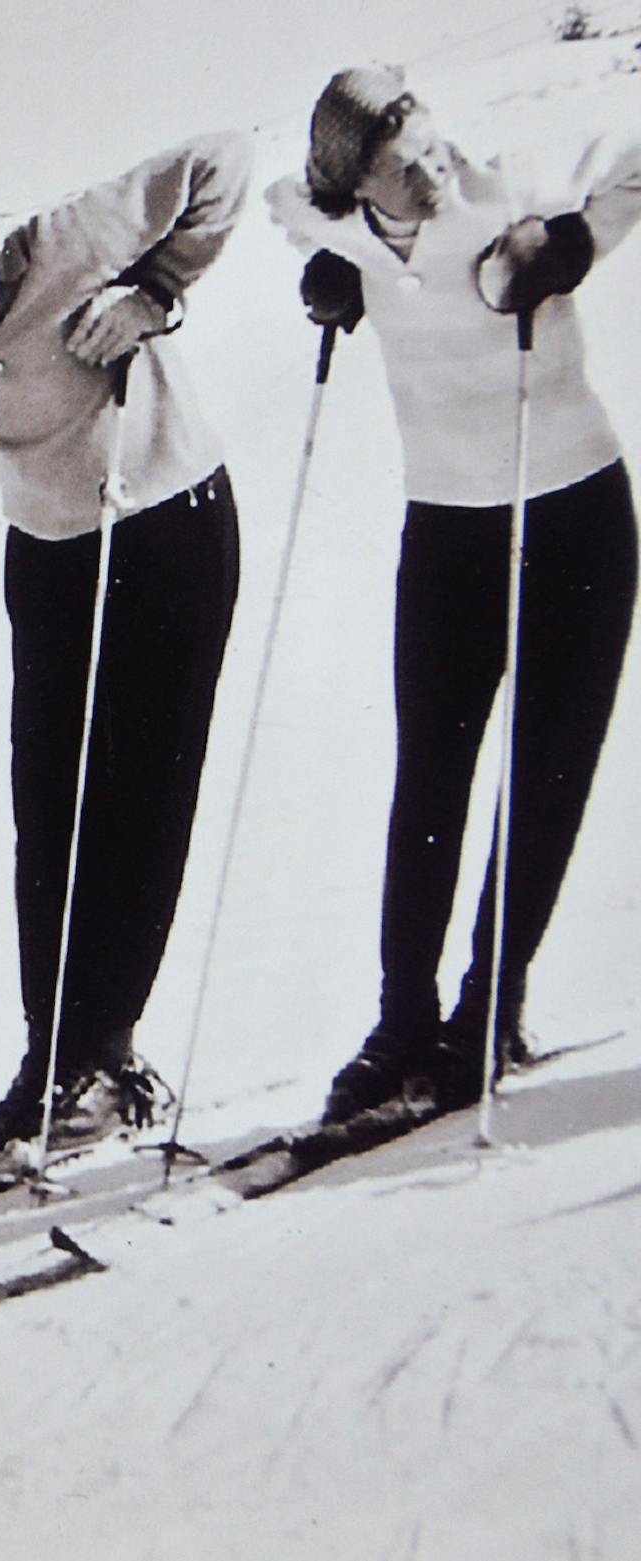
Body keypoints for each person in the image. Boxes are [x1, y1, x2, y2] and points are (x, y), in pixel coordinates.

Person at [0, 131, 252, 1166]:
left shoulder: (66, 243)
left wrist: (156, 291)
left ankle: (107, 1057)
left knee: (142, 797)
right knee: (50, 808)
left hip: (163, 527)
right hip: (51, 552)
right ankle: (53, 1054)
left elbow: (224, 159)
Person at [270, 67, 640, 1120]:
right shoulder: (335, 225)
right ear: (357, 184)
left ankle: (489, 1008)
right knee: (429, 778)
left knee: (546, 775)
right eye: (403, 168)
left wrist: (574, 241)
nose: (431, 174)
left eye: (432, 148)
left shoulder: (509, 182)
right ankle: (402, 1021)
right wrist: (327, 276)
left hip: (574, 513)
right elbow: (289, 209)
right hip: (448, 534)